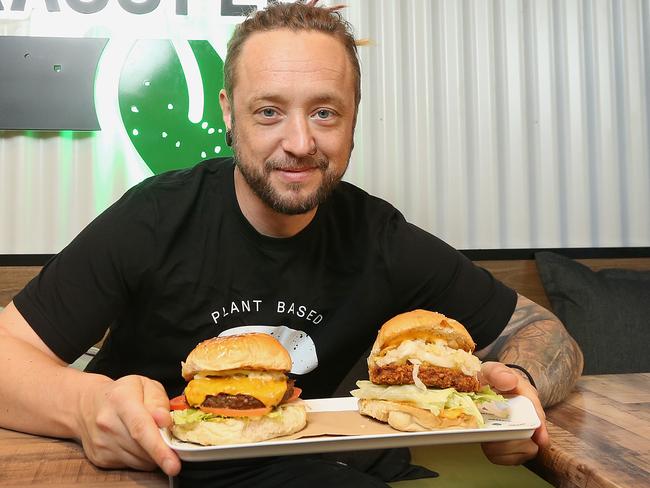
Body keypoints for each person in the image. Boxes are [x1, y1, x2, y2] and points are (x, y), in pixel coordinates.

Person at [0, 1, 583, 486]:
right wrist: (84, 408)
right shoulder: (155, 217)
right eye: (269, 112)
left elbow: (546, 335)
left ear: (355, 117)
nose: (299, 142)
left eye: (325, 112)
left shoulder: (380, 237)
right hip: (142, 473)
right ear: (229, 115)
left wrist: (521, 388)